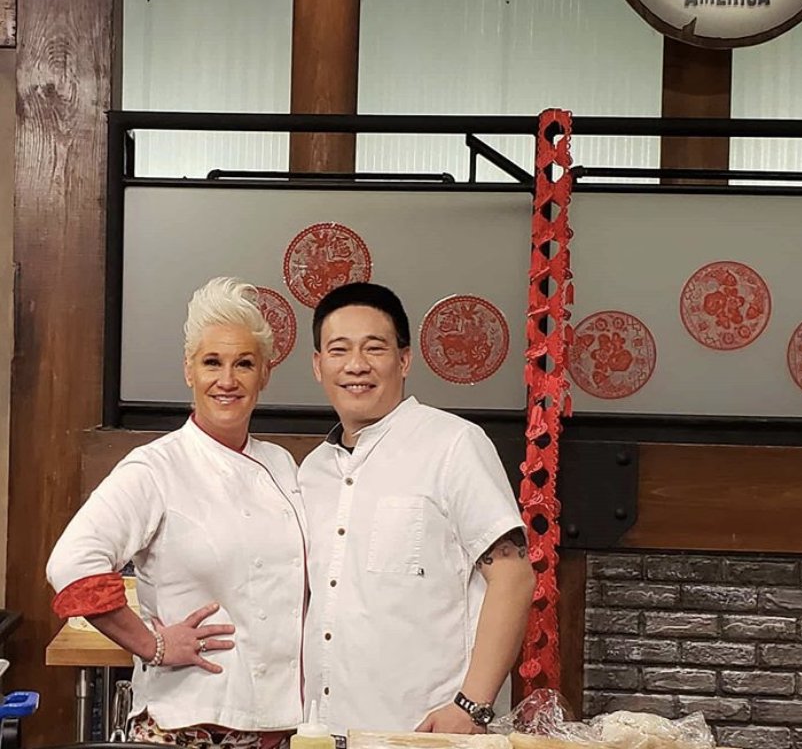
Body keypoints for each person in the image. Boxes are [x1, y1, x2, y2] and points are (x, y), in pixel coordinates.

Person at [47, 277, 307, 748]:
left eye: (244, 363)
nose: (227, 380)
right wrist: (153, 645)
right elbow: (72, 564)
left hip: (279, 726)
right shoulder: (155, 467)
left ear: (264, 374)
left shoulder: (281, 464)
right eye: (212, 362)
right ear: (189, 371)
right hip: (186, 726)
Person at [299, 282, 535, 736]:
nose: (356, 365)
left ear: (404, 359)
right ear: (317, 364)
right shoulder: (312, 472)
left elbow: (513, 576)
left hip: (428, 733)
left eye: (374, 348)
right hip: (327, 731)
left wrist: (471, 706)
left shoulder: (453, 444)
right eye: (339, 350)